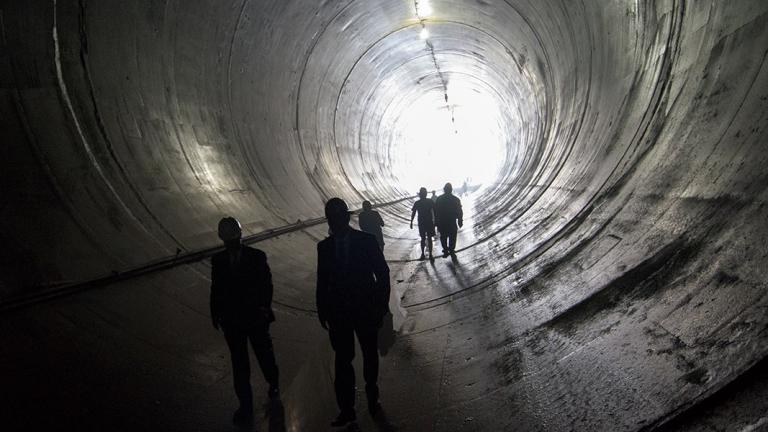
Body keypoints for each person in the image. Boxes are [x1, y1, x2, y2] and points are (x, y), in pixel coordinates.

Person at [316, 198, 391, 427]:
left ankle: (371, 392)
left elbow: (383, 274)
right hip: (339, 314)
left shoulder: (366, 241)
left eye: (338, 217)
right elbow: (322, 281)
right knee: (343, 360)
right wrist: (322, 308)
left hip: (366, 310)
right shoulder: (324, 247)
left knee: (369, 354)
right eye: (331, 217)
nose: (335, 222)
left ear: (346, 218)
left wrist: (380, 306)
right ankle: (346, 408)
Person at [210, 217, 280, 427]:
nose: (229, 241)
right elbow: (217, 289)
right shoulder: (219, 260)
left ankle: (273, 383)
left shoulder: (256, 257)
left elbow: (266, 285)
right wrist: (215, 313)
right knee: (240, 363)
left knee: (263, 354)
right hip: (233, 320)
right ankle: (245, 404)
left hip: (255, 317)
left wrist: (264, 308)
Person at [435, 182, 463, 257]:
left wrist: (436, 222)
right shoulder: (455, 199)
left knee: (443, 237)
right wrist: (460, 220)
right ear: (451, 190)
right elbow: (460, 211)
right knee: (452, 236)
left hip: (442, 222)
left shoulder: (439, 199)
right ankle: (451, 249)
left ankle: (446, 249)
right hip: (451, 221)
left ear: (444, 190)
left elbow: (436, 211)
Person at [410, 187, 436, 260]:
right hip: (429, 222)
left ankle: (422, 254)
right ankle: (430, 254)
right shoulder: (430, 201)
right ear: (426, 194)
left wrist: (411, 222)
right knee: (430, 238)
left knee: (423, 238)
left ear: (420, 194)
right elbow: (435, 210)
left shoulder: (417, 203)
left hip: (421, 223)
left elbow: (413, 213)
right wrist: (436, 221)